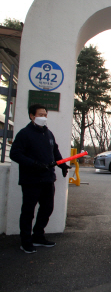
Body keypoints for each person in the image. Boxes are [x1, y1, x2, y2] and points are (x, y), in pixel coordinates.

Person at [10, 104, 69, 254]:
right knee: (28, 212)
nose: (43, 117)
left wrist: (62, 165)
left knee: (47, 208)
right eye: (40, 114)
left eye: (45, 114)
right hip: (31, 180)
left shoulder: (48, 133)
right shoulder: (24, 134)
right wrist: (34, 164)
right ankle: (26, 241)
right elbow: (15, 154)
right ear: (32, 116)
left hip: (48, 179)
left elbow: (55, 151)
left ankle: (38, 236)